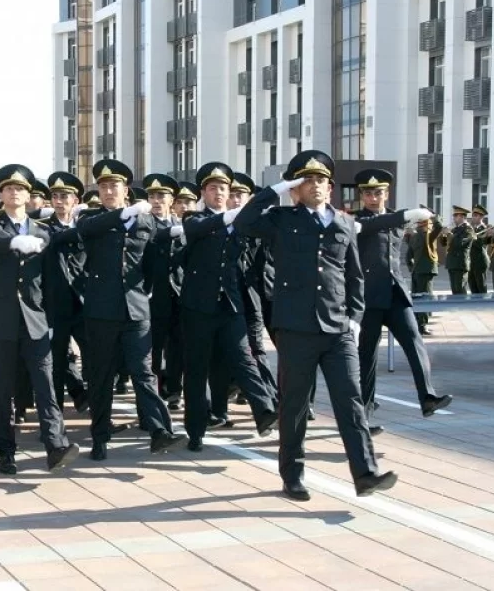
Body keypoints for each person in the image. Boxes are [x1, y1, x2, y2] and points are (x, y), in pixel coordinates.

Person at [234, 149, 396, 500]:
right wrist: (275, 190)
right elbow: (243, 223)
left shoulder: (341, 222)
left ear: (331, 187)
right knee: (293, 407)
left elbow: (354, 276)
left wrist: (354, 318)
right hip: (296, 330)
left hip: (337, 329)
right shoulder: (281, 219)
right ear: (296, 188)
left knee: (350, 401)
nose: (316, 186)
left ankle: (365, 473)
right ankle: (292, 475)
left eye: (322, 180)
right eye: (308, 181)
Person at [0, 165, 80, 475]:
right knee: (1, 388)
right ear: (1, 195)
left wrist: (49, 318)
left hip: (34, 320)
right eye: (8, 188)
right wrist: (12, 244)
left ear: (28, 195)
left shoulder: (43, 232)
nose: (14, 193)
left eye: (20, 189)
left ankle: (55, 446)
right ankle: (6, 451)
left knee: (45, 385)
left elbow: (49, 281)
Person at [76, 159, 184, 461]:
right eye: (104, 185)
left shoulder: (145, 221)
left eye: (115, 185)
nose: (109, 190)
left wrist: (142, 292)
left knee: (144, 373)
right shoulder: (90, 217)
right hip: (101, 311)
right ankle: (100, 437)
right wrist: (123, 214)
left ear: (126, 189)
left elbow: (150, 262)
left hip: (136, 310)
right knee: (101, 376)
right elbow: (86, 231)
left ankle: (160, 430)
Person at [179, 162, 278, 451]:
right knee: (196, 370)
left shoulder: (240, 224)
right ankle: (195, 430)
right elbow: (204, 228)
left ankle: (264, 410)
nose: (220, 193)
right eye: (213, 189)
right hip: (197, 308)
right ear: (203, 193)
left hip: (230, 305)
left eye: (224, 189)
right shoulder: (193, 219)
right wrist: (233, 217)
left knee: (244, 358)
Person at [348, 169, 453, 434]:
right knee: (366, 358)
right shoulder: (356, 219)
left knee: (414, 342)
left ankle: (427, 397)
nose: (374, 198)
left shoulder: (395, 218)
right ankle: (364, 415)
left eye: (379, 192)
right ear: (362, 196)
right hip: (369, 298)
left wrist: (431, 217)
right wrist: (406, 215)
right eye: (368, 193)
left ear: (387, 193)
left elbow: (425, 231)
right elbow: (372, 226)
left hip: (395, 293)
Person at [39, 171, 90, 414]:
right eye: (55, 196)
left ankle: (96, 410)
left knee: (94, 359)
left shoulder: (85, 227)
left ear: (76, 201)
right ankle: (54, 418)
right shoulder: (42, 229)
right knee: (56, 365)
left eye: (65, 196)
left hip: (82, 304)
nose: (59, 201)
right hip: (54, 306)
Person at [141, 173, 185, 410]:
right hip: (152, 295)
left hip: (178, 295)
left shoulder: (182, 224)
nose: (156, 200)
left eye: (161, 196)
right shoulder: (144, 223)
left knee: (177, 347)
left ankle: (174, 391)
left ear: (172, 200)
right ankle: (156, 394)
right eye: (151, 196)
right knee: (153, 350)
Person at [405, 215, 442, 335]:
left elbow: (407, 257)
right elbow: (439, 227)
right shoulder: (428, 236)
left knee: (416, 298)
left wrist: (412, 268)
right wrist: (434, 216)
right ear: (427, 224)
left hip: (416, 271)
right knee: (425, 298)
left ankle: (415, 323)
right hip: (426, 271)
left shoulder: (414, 236)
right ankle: (423, 325)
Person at [442, 206, 475, 295]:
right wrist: (444, 235)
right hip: (452, 262)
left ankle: (463, 308)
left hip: (460, 263)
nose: (454, 218)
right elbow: (444, 244)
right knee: (454, 290)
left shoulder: (468, 229)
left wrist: (449, 234)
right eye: (454, 215)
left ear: (463, 217)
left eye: (456, 215)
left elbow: (460, 243)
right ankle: (456, 308)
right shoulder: (454, 229)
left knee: (460, 288)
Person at [468, 205, 490, 294]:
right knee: (472, 286)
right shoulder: (470, 228)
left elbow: (481, 243)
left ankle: (485, 306)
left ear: (481, 217)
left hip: (480, 260)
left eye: (476, 216)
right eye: (473, 215)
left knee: (481, 286)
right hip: (470, 261)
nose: (474, 218)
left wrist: (470, 238)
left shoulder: (485, 229)